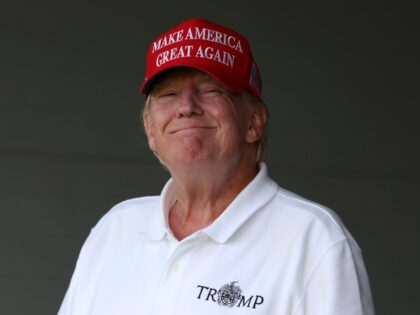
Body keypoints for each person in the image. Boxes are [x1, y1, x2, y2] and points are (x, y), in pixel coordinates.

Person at [58, 18, 375, 315]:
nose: (186, 107)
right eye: (169, 93)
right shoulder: (114, 231)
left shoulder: (314, 241)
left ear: (254, 121)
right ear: (150, 130)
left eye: (211, 90)